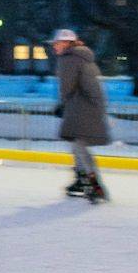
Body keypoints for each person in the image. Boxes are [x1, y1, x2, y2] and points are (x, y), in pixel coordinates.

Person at [51, 27, 111, 202]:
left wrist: (62, 104)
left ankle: (95, 185)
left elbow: (67, 87)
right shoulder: (83, 57)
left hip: (81, 108)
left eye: (57, 43)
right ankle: (81, 179)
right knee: (76, 144)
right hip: (89, 107)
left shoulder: (68, 59)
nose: (54, 46)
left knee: (80, 147)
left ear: (66, 43)